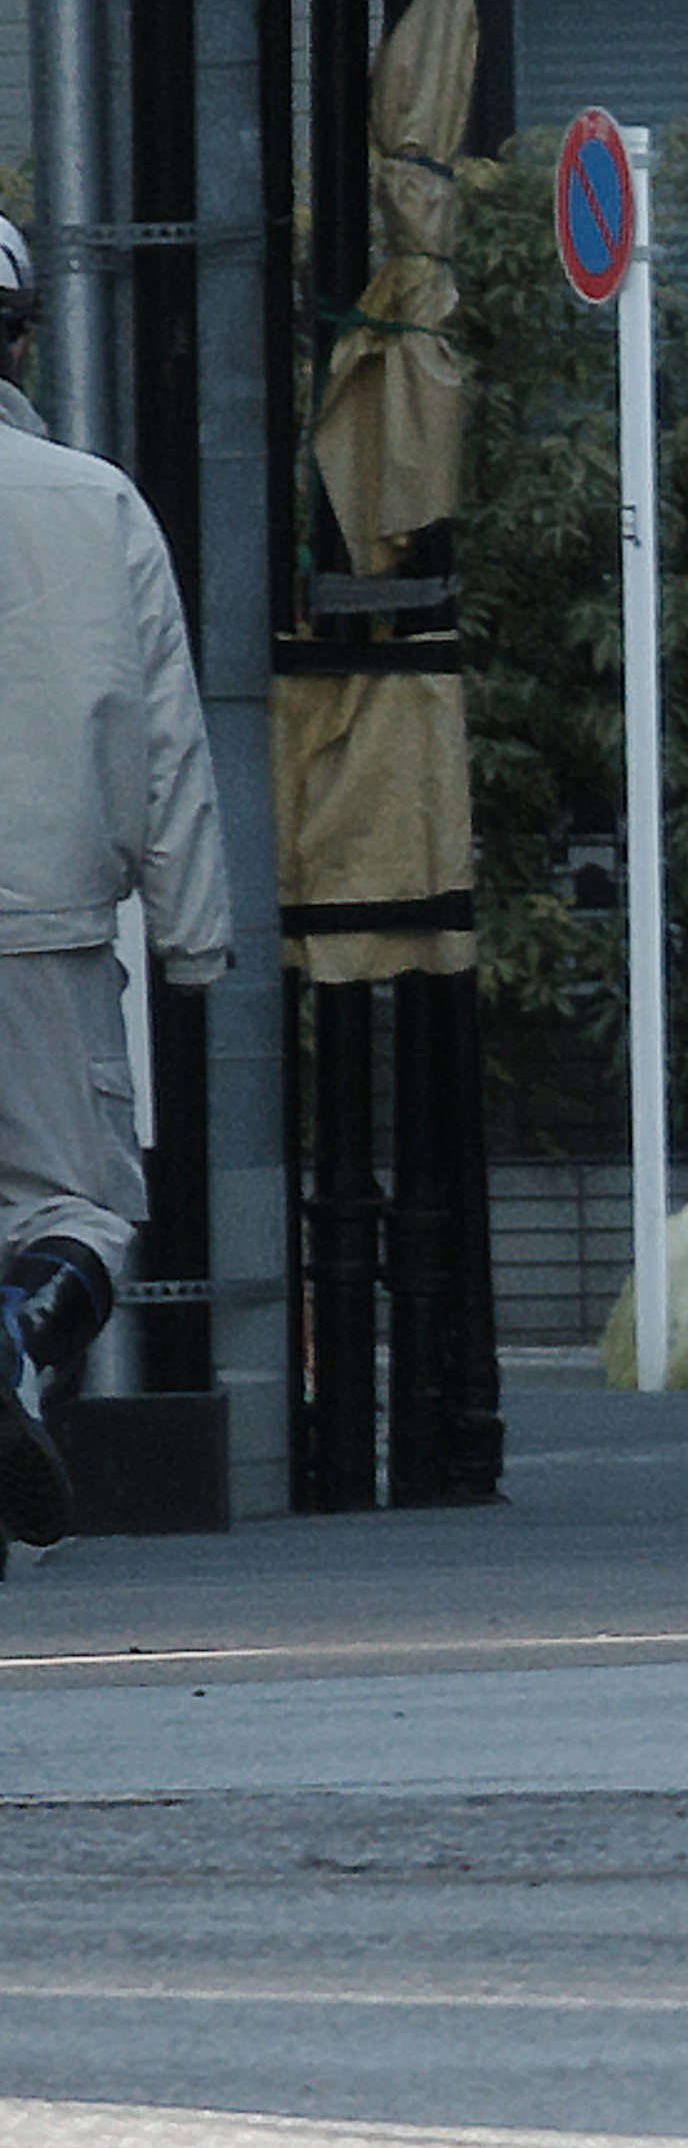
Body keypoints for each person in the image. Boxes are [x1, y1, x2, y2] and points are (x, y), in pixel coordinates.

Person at [0, 213, 233, 1548]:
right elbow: (168, 744)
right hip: (46, 924)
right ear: (21, 339)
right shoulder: (95, 506)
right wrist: (194, 939)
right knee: (76, 1204)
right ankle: (24, 1338)